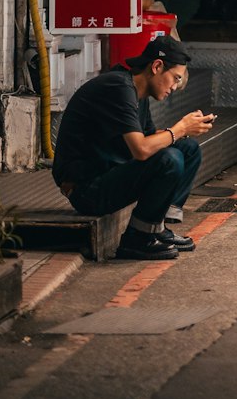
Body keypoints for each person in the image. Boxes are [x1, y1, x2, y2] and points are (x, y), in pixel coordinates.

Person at [52, 36, 215, 261]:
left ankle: (157, 228)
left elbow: (150, 139)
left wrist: (186, 130)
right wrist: (179, 129)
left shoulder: (138, 93)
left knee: (187, 149)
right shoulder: (118, 87)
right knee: (170, 158)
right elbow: (141, 150)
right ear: (157, 67)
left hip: (109, 176)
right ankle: (138, 239)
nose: (175, 87)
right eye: (174, 78)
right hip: (87, 190)